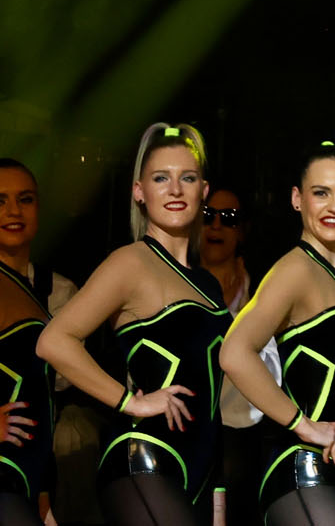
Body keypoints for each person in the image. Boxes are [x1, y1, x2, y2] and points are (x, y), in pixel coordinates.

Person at [37, 124, 233, 526]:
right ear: (139, 192)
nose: (175, 189)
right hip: (144, 457)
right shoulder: (130, 262)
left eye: (187, 178)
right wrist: (131, 402)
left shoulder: (208, 283)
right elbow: (54, 341)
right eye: (161, 178)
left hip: (198, 471)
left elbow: (213, 397)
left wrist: (217, 497)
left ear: (204, 191)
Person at [220, 142, 335, 526]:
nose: (334, 206)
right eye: (321, 192)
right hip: (300, 472)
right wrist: (302, 425)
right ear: (297, 199)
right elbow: (234, 352)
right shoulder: (295, 270)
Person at [199, 186, 276, 526]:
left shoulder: (264, 288)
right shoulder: (175, 283)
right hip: (188, 422)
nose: (216, 224)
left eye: (228, 218)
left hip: (248, 430)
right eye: (208, 215)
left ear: (242, 231)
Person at [0, 157, 56, 526]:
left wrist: (43, 493)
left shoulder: (31, 291)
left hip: (26, 480)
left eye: (25, 199)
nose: (13, 211)